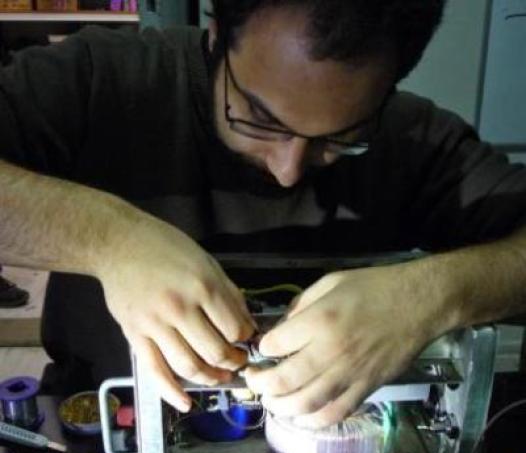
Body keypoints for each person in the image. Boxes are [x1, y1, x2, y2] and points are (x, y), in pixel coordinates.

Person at [1, 0, 525, 428]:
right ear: (217, 35)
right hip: (102, 431)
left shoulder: (416, 139)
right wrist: (111, 242)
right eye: (258, 117)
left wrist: (429, 297)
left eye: (341, 138)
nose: (287, 170)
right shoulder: (102, 80)